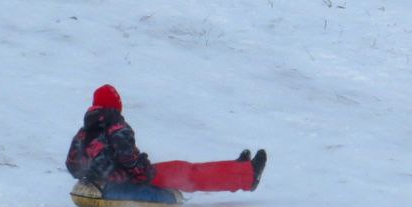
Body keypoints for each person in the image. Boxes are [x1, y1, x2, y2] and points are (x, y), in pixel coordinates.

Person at [66, 84, 266, 195]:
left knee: (185, 171)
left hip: (103, 181)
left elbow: (72, 164)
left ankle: (238, 167)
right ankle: (248, 176)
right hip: (126, 180)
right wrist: (142, 171)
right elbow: (129, 159)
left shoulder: (84, 131)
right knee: (188, 173)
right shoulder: (115, 125)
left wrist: (94, 175)